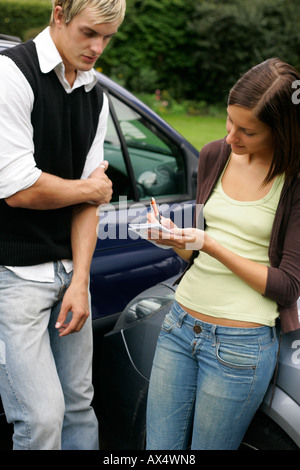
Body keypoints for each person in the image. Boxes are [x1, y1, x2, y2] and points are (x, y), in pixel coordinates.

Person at [146, 58, 300, 450]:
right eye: (230, 122)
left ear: (282, 130)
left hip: (240, 347)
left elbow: (286, 286)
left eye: (247, 131)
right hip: (178, 325)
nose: (232, 137)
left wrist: (212, 243)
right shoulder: (216, 154)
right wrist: (175, 241)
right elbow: (195, 256)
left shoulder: (294, 182)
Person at [0, 0, 126, 450]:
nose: (98, 48)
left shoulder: (96, 93)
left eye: (107, 38)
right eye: (89, 33)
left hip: (70, 274)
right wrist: (89, 190)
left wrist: (81, 280)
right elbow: (20, 189)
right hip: (13, 277)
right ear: (58, 14)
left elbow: (87, 203)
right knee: (41, 420)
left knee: (78, 406)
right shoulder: (11, 74)